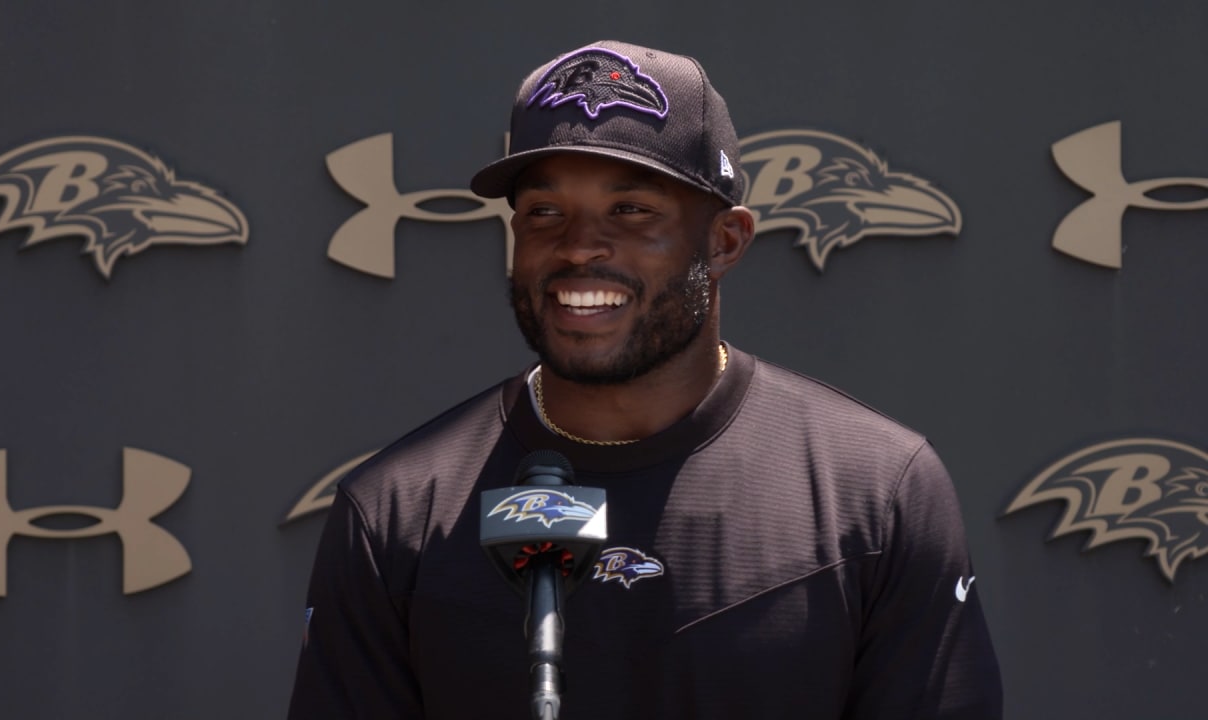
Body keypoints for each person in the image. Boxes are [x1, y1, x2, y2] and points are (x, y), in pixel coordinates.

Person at [287, 40, 1002, 719]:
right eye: (544, 212)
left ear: (725, 241)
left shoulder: (876, 492)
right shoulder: (397, 512)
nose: (577, 247)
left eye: (630, 210)